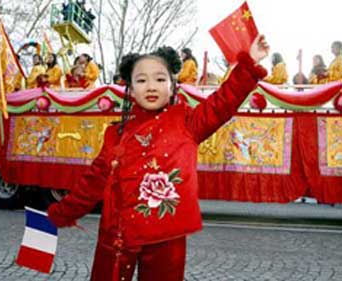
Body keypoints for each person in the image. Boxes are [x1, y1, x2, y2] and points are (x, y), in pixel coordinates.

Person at [47, 35, 269, 281]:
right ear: (130, 89)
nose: (151, 86)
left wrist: (249, 63)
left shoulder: (187, 122)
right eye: (141, 80)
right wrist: (61, 212)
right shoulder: (115, 134)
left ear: (172, 85)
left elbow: (222, 103)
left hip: (166, 236)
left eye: (160, 79)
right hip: (118, 234)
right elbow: (93, 181)